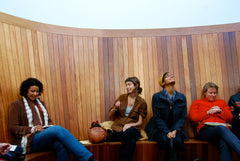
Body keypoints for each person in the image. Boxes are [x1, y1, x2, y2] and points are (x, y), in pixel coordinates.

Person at [9, 78, 97, 161]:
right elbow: (13, 127)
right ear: (25, 90)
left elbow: (49, 121)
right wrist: (33, 128)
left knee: (61, 145)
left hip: (43, 137)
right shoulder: (16, 105)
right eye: (32, 91)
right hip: (29, 140)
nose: (35, 94)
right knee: (57, 129)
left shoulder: (40, 104)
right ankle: (88, 159)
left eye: (37, 91)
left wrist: (49, 127)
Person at [189, 82, 240, 161]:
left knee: (224, 142)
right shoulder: (197, 102)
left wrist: (220, 111)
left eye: (215, 93)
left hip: (222, 131)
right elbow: (193, 118)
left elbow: (230, 118)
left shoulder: (222, 102)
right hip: (205, 130)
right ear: (204, 93)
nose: (213, 95)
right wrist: (207, 112)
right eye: (210, 93)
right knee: (221, 128)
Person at [145, 72, 187, 161]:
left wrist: (174, 131)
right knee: (165, 140)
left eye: (172, 75)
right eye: (168, 76)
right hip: (159, 128)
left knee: (177, 141)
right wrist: (167, 131)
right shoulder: (156, 97)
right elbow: (157, 117)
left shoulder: (181, 97)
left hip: (176, 128)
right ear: (163, 83)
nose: (171, 76)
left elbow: (183, 117)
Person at [107, 77, 147, 161]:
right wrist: (115, 107)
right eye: (126, 85)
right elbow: (111, 116)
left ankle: (111, 136)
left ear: (136, 85)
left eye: (129, 84)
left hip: (133, 128)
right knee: (131, 140)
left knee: (129, 132)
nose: (127, 87)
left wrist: (130, 125)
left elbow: (140, 122)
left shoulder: (142, 102)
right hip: (119, 128)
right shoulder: (122, 98)